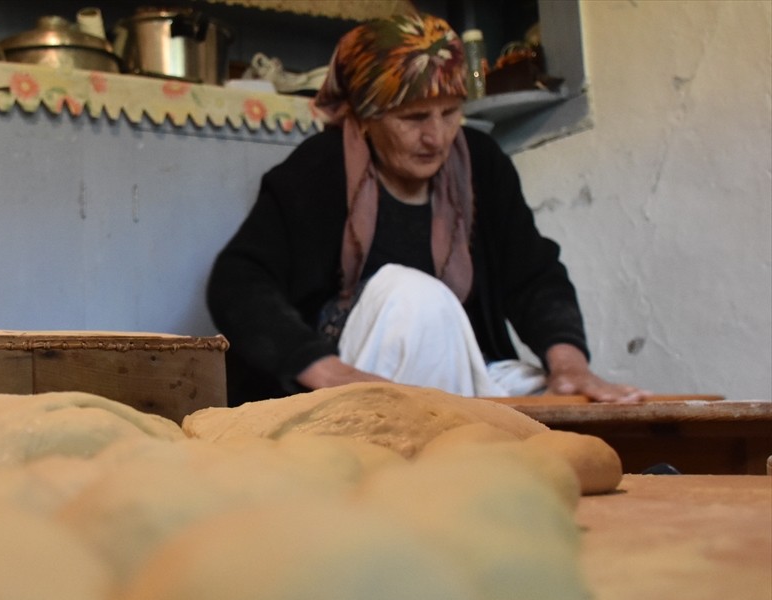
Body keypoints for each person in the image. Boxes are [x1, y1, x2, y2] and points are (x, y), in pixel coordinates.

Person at [207, 12, 649, 407]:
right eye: (414, 118)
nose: (437, 137)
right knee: (413, 298)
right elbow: (239, 281)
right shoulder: (320, 168)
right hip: (353, 382)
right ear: (365, 117)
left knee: (561, 399)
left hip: (456, 376)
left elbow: (532, 274)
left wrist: (569, 366)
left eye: (450, 112)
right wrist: (325, 370)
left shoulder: (481, 163)